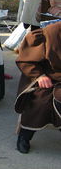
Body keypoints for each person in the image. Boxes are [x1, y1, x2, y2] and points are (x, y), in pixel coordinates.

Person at [15, 21, 61, 154]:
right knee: (40, 102)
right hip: (46, 78)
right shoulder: (48, 33)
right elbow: (26, 59)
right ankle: (25, 136)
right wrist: (39, 76)